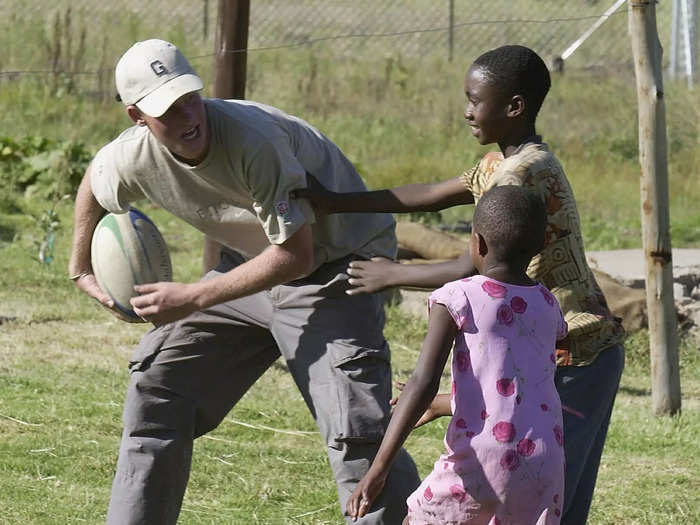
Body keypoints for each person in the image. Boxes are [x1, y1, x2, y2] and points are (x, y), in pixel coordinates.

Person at [67, 38, 420, 524]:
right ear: (137, 117)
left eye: (190, 97)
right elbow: (95, 179)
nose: (188, 115)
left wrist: (193, 296)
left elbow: (297, 256)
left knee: (355, 430)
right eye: (167, 108)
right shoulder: (134, 155)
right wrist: (79, 266)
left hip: (338, 267)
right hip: (253, 265)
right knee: (158, 390)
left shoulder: (254, 141)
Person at [293, 44, 626, 524]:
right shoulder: (507, 162)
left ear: (513, 107)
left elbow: (473, 263)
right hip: (555, 349)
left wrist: (393, 274)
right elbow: (429, 196)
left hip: (578, 353)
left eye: (475, 100)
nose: (467, 110)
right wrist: (335, 202)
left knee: (549, 504)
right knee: (546, 501)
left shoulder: (519, 175)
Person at [347, 184, 569, 524]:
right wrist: (444, 403)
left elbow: (421, 382)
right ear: (541, 245)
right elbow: (516, 387)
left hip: (485, 456)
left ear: (477, 243)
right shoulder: (548, 304)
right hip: (545, 460)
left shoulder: (458, 296)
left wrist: (378, 469)